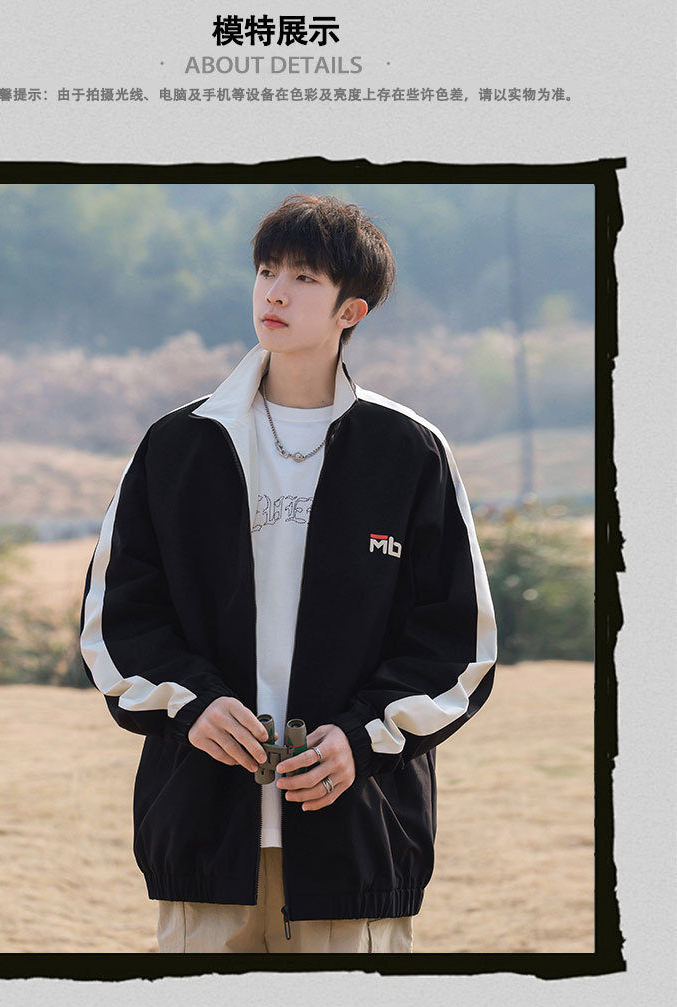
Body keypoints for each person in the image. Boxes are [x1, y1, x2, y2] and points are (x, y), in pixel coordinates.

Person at [80, 193, 496, 954]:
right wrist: (191, 704)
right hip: (203, 837)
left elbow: (459, 645)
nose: (274, 291)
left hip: (358, 841)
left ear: (351, 310)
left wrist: (362, 738)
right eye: (266, 270)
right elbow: (117, 620)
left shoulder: (409, 452)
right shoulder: (178, 445)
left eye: (304, 278)